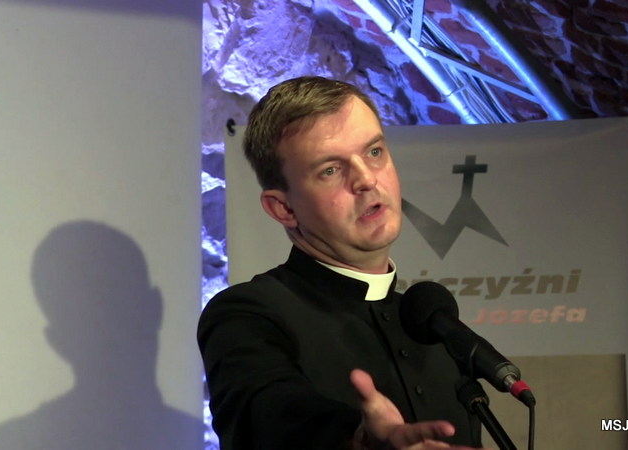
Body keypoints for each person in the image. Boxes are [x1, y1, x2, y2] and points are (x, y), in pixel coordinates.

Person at [198, 76, 481, 449]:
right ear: (283, 208)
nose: (366, 179)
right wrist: (359, 439)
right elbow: (268, 414)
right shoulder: (246, 315)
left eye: (374, 152)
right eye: (330, 170)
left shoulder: (435, 327)